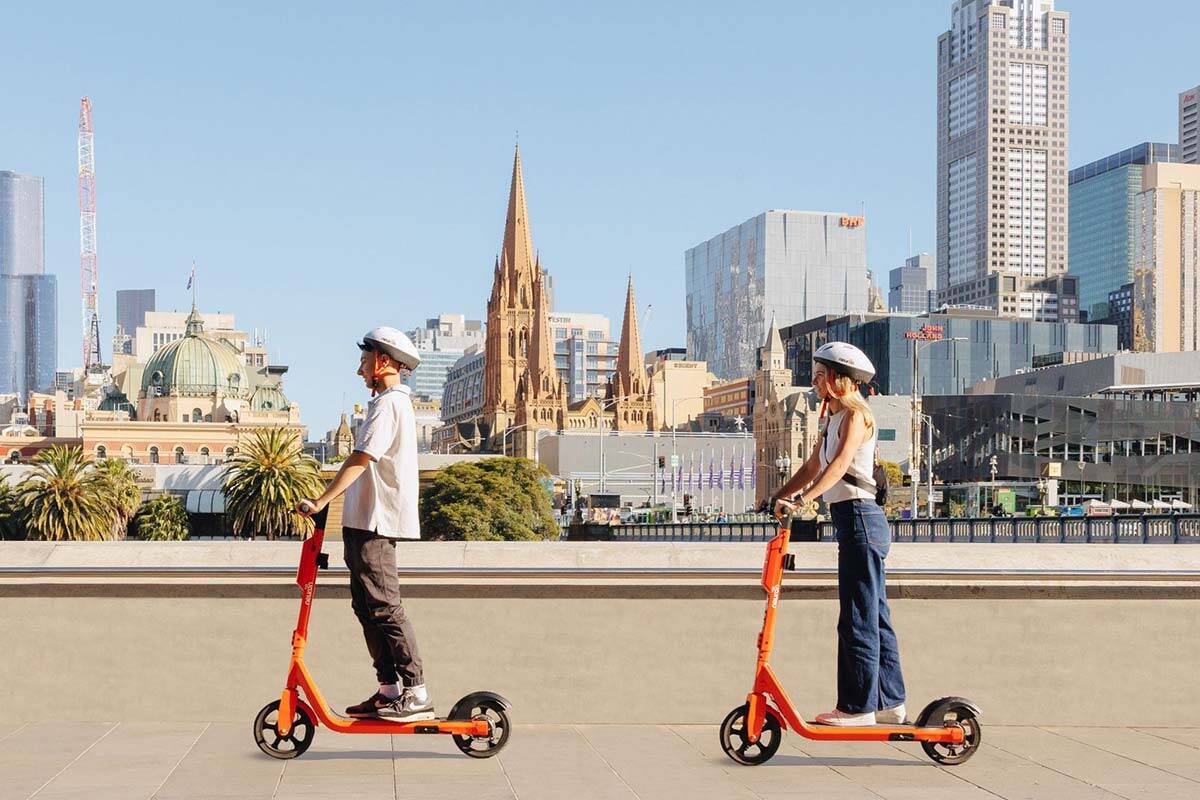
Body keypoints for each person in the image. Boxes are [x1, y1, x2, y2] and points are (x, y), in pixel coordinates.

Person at [296, 327, 433, 722]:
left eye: (363, 360)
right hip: (361, 522)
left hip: (376, 523)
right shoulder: (386, 404)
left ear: (383, 361)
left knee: (385, 607)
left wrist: (322, 500)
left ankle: (416, 691)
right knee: (366, 606)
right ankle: (389, 690)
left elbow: (361, 458)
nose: (359, 369)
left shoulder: (389, 404)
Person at [768, 342, 907, 727]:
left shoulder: (857, 416)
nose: (813, 382)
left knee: (858, 617)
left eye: (818, 374)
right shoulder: (831, 415)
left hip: (862, 518)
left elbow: (839, 466)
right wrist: (778, 495)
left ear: (838, 378)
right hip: (853, 520)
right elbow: (813, 465)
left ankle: (857, 707)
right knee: (875, 614)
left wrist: (804, 501)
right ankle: (891, 702)